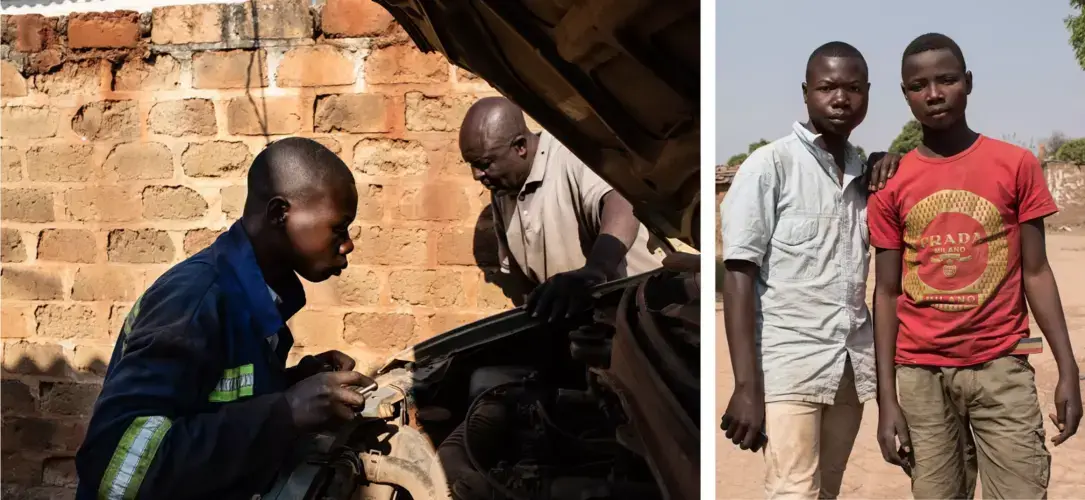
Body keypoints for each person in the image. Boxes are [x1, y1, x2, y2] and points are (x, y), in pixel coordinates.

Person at [75, 138, 373, 500]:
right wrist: (285, 412)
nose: (348, 245)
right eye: (339, 229)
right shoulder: (194, 301)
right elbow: (115, 468)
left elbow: (207, 400)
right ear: (280, 213)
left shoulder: (259, 293)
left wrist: (295, 384)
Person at [868, 33, 1082, 499]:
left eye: (946, 80)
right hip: (921, 376)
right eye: (918, 85)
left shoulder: (1015, 165)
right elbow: (885, 294)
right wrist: (888, 402)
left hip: (1001, 368)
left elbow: (1037, 271)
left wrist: (1068, 369)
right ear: (904, 94)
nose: (934, 94)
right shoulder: (889, 184)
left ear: (968, 82)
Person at [719, 41, 900, 499]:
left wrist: (885, 162)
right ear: (806, 93)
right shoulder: (770, 166)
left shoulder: (868, 174)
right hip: (788, 365)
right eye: (827, 87)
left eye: (853, 88)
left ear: (868, 94)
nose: (841, 99)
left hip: (848, 366)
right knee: (792, 490)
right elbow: (738, 275)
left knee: (826, 490)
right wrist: (746, 387)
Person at [459, 96, 666, 322]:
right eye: (472, 165)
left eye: (485, 164)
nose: (477, 175)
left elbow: (622, 205)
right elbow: (521, 280)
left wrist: (595, 271)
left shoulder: (572, 154)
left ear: (520, 147)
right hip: (590, 327)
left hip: (646, 316)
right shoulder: (503, 189)